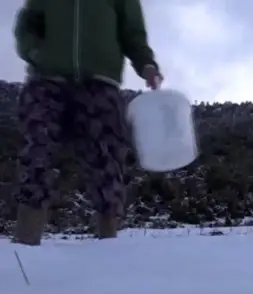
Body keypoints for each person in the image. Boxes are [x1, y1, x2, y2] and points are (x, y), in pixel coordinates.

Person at [12, 0, 163, 245]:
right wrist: (36, 53)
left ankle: (108, 244)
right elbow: (27, 25)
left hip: (101, 84)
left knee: (108, 159)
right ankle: (26, 243)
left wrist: (146, 64)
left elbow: (132, 33)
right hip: (46, 79)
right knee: (36, 152)